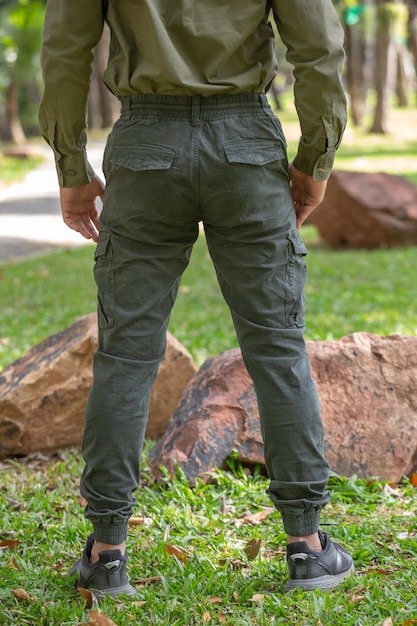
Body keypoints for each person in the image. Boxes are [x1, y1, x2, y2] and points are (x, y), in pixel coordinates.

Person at [39, 0, 355, 598]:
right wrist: (316, 159)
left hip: (145, 145)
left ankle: (107, 553)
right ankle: (309, 548)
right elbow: (318, 46)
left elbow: (64, 53)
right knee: (277, 348)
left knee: (127, 354)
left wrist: (70, 165)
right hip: (245, 145)